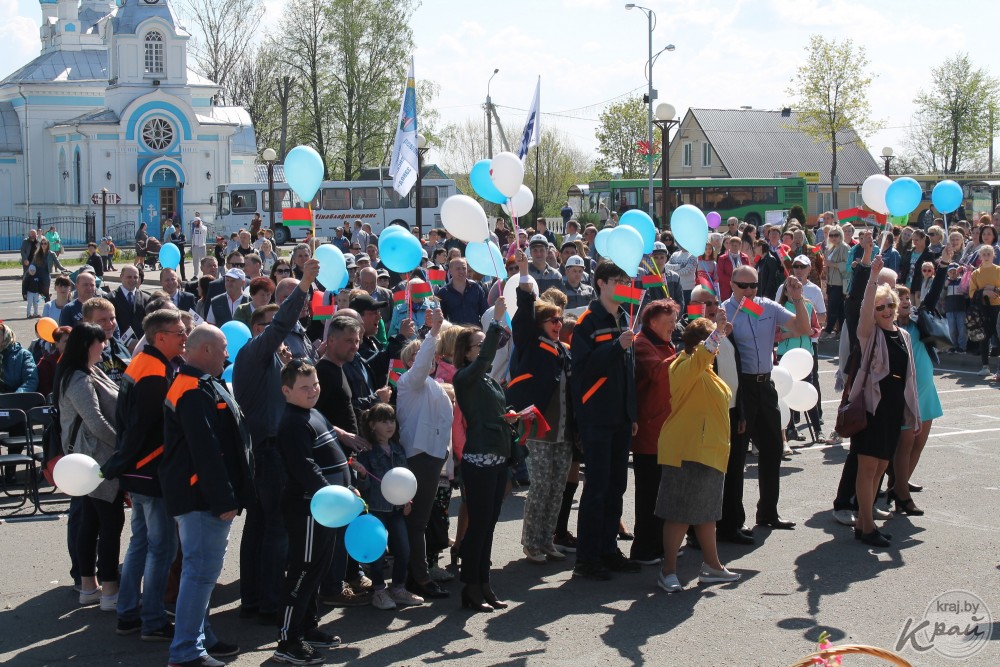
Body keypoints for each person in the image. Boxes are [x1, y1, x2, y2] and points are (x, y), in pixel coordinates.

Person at [234, 259, 317, 624]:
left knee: (260, 527)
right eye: (271, 327)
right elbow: (282, 322)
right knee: (275, 529)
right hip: (267, 454)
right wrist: (304, 285)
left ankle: (254, 599)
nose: (280, 333)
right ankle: (269, 603)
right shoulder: (253, 352)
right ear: (258, 329)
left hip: (268, 452)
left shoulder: (272, 360)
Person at [162, 325, 250, 666]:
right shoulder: (192, 389)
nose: (228, 354)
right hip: (201, 499)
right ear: (206, 350)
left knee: (201, 574)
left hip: (203, 496)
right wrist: (223, 499)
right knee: (199, 574)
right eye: (223, 347)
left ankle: (200, 637)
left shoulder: (199, 383)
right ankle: (186, 650)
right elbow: (206, 450)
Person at [102, 309, 186, 640]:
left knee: (141, 542)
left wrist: (123, 462)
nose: (185, 337)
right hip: (151, 473)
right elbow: (144, 427)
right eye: (179, 332)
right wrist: (125, 461)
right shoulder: (153, 371)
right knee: (161, 548)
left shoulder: (142, 362)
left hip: (138, 472)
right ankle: (151, 619)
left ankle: (128, 613)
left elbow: (131, 425)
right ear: (160, 337)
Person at [656, 316, 742, 592]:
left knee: (707, 513)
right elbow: (703, 355)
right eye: (715, 341)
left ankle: (712, 566)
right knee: (679, 514)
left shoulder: (707, 370)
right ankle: (668, 571)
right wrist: (718, 332)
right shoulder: (683, 365)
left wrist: (718, 333)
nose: (719, 347)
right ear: (703, 343)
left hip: (711, 452)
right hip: (687, 450)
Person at [722, 266, 810, 531]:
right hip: (741, 387)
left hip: (766, 384)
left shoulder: (767, 306)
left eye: (754, 285)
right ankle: (732, 521)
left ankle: (768, 512)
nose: (749, 291)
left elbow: (803, 328)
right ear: (732, 284)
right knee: (737, 456)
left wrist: (797, 298)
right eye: (743, 285)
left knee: (773, 450)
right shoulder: (725, 310)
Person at [274, 360, 349, 664]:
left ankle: (308, 627)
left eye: (315, 384)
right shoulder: (292, 422)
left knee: (317, 570)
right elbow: (305, 468)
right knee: (303, 573)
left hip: (326, 509)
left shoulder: (314, 413)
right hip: (308, 509)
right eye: (304, 387)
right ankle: (288, 641)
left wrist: (349, 476)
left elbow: (330, 454)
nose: (313, 391)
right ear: (286, 391)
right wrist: (336, 495)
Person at [570, 261, 639, 581]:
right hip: (596, 415)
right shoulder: (587, 321)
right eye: (617, 280)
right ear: (600, 283)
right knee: (596, 488)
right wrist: (616, 346)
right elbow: (582, 369)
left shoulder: (623, 317)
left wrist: (631, 412)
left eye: (625, 280)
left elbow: (628, 371)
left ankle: (608, 550)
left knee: (616, 486)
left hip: (619, 415)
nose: (623, 286)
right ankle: (587, 558)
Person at [849, 255, 920, 547]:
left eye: (890, 304)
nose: (887, 310)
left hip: (893, 409)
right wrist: (873, 278)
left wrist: (912, 413)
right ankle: (867, 526)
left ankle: (864, 523)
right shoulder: (869, 333)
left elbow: (909, 379)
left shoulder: (903, 335)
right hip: (872, 408)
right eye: (881, 308)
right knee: (868, 468)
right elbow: (865, 306)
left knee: (880, 467)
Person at [508, 250, 574, 565]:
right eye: (553, 320)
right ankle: (531, 543)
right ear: (540, 324)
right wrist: (524, 272)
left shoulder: (564, 350)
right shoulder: (531, 344)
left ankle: (547, 539)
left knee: (557, 488)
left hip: (564, 431)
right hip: (539, 429)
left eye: (560, 319)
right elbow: (524, 310)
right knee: (540, 487)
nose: (558, 324)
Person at [56, 323, 124, 610]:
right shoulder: (79, 378)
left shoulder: (85, 371)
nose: (104, 346)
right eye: (100, 342)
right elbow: (95, 422)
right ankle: (109, 590)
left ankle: (89, 586)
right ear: (87, 345)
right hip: (96, 460)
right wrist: (123, 447)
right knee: (109, 523)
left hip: (89, 461)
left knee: (92, 522)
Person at [453, 297, 512, 612]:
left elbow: (494, 411)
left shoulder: (488, 380)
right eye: (478, 345)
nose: (485, 348)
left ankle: (484, 583)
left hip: (498, 456)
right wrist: (496, 323)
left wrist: (513, 416)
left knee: (489, 524)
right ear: (467, 353)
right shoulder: (464, 377)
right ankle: (470, 587)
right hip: (479, 461)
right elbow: (487, 355)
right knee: (478, 526)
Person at [394, 309, 453, 600]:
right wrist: (433, 332)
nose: (428, 359)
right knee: (416, 522)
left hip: (433, 459)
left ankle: (415, 574)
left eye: (431, 354)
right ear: (410, 362)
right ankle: (418, 578)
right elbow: (422, 364)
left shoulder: (435, 386)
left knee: (420, 521)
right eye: (418, 356)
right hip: (419, 457)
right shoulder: (409, 382)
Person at [352, 404, 425, 611]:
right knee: (377, 552)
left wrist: (408, 500)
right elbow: (363, 487)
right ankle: (379, 591)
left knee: (403, 549)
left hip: (396, 509)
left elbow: (405, 479)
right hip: (376, 509)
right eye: (384, 421)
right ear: (372, 425)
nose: (389, 425)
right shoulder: (366, 453)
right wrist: (363, 474)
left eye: (392, 420)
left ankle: (398, 588)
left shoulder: (398, 449)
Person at [630, 299, 679, 565]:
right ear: (652, 322)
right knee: (648, 494)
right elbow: (659, 373)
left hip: (665, 429)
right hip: (649, 430)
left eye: (675, 320)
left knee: (662, 492)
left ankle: (660, 544)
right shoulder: (642, 343)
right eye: (669, 321)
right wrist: (684, 356)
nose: (674, 326)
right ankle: (644, 548)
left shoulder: (663, 343)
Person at [970, 245, 1000, 376]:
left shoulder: (998, 270)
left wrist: (994, 289)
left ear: (993, 255)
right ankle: (985, 366)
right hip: (983, 308)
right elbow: (971, 293)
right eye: (984, 254)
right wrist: (984, 292)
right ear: (980, 256)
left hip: (997, 307)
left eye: (989, 254)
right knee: (984, 336)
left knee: (998, 336)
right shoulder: (976, 273)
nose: (986, 256)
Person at [437, 258, 488, 326]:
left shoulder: (476, 288)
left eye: (464, 268)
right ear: (450, 271)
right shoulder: (443, 292)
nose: (461, 271)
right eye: (458, 269)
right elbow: (442, 318)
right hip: (455, 331)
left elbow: (485, 312)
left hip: (475, 331)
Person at [111, 266, 149, 346]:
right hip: (119, 345)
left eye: (135, 277)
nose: (132, 280)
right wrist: (128, 342)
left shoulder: (146, 298)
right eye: (129, 277)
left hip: (142, 345)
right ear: (121, 277)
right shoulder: (110, 298)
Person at [823, 227, 849, 339]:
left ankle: (828, 330)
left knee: (833, 308)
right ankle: (841, 332)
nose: (833, 237)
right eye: (831, 235)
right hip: (831, 282)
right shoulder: (830, 248)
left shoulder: (844, 247)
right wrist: (826, 267)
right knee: (839, 309)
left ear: (841, 235)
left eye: (836, 235)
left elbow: (847, 265)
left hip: (840, 283)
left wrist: (832, 264)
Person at [0, 322, 38, 394]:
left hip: (14, 398)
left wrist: (16, 396)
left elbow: (31, 380)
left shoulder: (24, 355)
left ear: (6, 337)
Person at [716, 236, 750, 302]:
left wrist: (742, 282)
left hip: (742, 287)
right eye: (732, 245)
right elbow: (720, 274)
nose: (734, 247)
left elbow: (748, 271)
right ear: (729, 245)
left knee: (742, 304)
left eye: (736, 245)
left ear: (740, 246)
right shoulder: (722, 258)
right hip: (727, 288)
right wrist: (734, 282)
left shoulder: (745, 257)